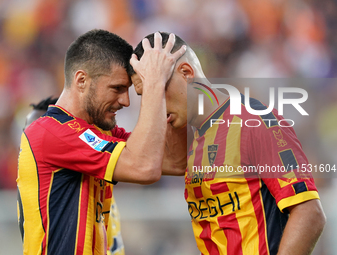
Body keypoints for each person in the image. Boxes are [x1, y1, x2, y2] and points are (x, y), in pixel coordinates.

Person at [131, 32, 326, 255]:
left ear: (186, 72)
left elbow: (310, 213)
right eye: (145, 95)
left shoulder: (254, 121)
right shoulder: (195, 138)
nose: (154, 103)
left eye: (157, 89)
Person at [17, 29, 186, 255]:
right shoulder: (50, 132)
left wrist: (167, 92)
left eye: (127, 91)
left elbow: (175, 162)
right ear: (81, 80)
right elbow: (144, 168)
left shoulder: (99, 131)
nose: (125, 101)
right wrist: (154, 84)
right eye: (117, 89)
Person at [21, 96, 125, 255]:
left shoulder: (94, 198)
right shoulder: (33, 187)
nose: (27, 142)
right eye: (25, 132)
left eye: (32, 132)